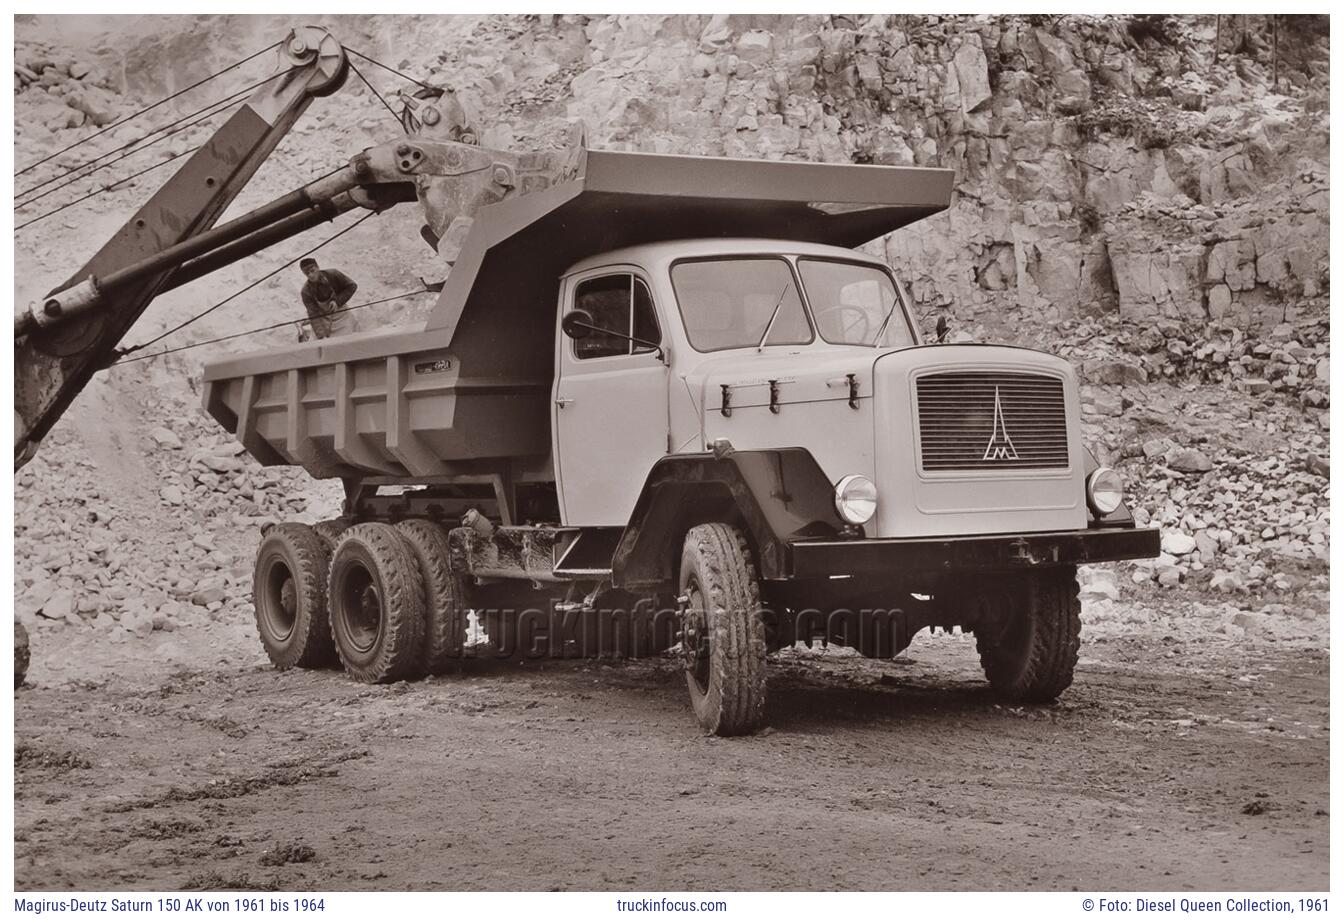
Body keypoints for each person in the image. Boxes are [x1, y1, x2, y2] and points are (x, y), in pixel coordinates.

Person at [297, 258, 359, 340]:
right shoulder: (306, 291)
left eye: (312, 271)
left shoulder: (333, 274)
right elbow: (313, 315)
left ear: (318, 267)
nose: (311, 275)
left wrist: (337, 301)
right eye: (307, 273)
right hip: (323, 319)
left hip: (341, 314)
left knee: (348, 340)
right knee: (319, 342)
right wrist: (321, 336)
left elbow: (352, 286)